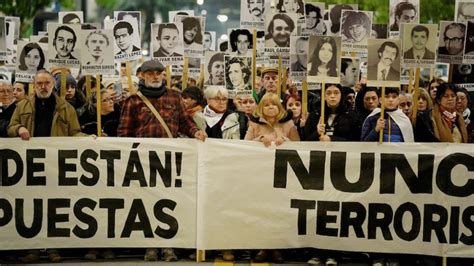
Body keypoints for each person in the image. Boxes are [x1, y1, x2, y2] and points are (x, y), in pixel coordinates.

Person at [117, 59, 206, 139]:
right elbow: (124, 132)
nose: (155, 77)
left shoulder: (175, 96)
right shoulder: (132, 100)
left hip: (169, 152)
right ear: (142, 75)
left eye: (158, 73)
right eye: (150, 73)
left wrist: (196, 132)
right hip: (143, 153)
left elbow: (185, 121)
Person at [8, 69, 86, 139]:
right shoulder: (22, 106)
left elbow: (74, 133)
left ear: (53, 84)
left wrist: (88, 139)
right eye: (39, 83)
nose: (43, 86)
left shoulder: (67, 108)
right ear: (34, 85)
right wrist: (19, 128)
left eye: (47, 83)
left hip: (54, 152)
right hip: (30, 152)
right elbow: (10, 129)